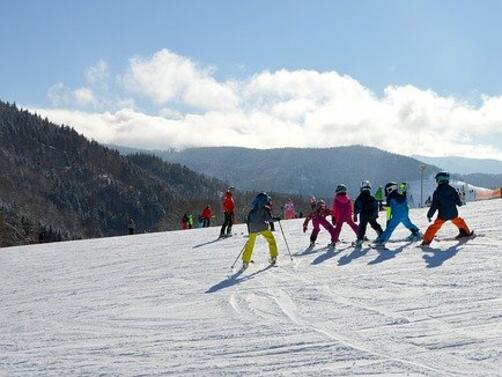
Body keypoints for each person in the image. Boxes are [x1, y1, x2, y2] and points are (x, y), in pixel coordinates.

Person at [421, 172, 472, 246]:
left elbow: (434, 206)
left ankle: (426, 241)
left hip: (443, 215)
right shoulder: (452, 189)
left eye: (437, 180)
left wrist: (429, 215)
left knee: (434, 227)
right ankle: (465, 233)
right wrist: (460, 203)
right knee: (459, 221)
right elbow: (458, 202)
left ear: (439, 180)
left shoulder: (437, 192)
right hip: (453, 213)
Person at [374, 182, 421, 247]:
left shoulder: (390, 197)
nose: (386, 192)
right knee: (408, 224)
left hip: (396, 216)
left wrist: (388, 220)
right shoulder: (402, 194)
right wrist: (406, 214)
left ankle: (382, 241)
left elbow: (389, 210)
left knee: (390, 228)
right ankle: (416, 233)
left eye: (387, 190)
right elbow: (406, 206)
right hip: (404, 215)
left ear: (390, 189)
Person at [241, 192, 280, 270]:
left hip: (253, 228)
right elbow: (269, 219)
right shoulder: (266, 208)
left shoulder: (252, 210)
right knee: (271, 240)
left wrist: (250, 232)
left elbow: (248, 221)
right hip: (263, 227)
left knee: (250, 245)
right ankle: (273, 257)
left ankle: (245, 262)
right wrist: (277, 219)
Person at [353, 181, 383, 246]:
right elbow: (375, 206)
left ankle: (360, 239)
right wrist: (376, 214)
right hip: (372, 214)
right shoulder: (372, 198)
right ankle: (381, 235)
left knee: (362, 226)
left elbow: (357, 206)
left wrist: (355, 214)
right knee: (375, 224)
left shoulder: (360, 197)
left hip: (364, 215)